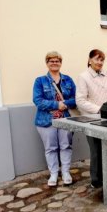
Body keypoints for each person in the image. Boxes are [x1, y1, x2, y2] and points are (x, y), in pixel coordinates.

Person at [76, 49, 107, 188]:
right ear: (90, 60)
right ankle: (96, 180)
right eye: (97, 59)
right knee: (96, 150)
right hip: (92, 119)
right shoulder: (83, 77)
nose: (99, 62)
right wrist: (99, 109)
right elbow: (80, 100)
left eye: (102, 60)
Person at [33, 51, 76, 186]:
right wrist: (57, 104)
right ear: (47, 63)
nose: (54, 63)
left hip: (65, 119)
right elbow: (37, 100)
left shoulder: (68, 80)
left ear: (60, 63)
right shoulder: (40, 81)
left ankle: (66, 172)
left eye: (57, 60)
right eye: (51, 61)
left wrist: (65, 104)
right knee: (50, 148)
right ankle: (53, 174)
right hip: (46, 120)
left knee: (66, 146)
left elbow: (76, 99)